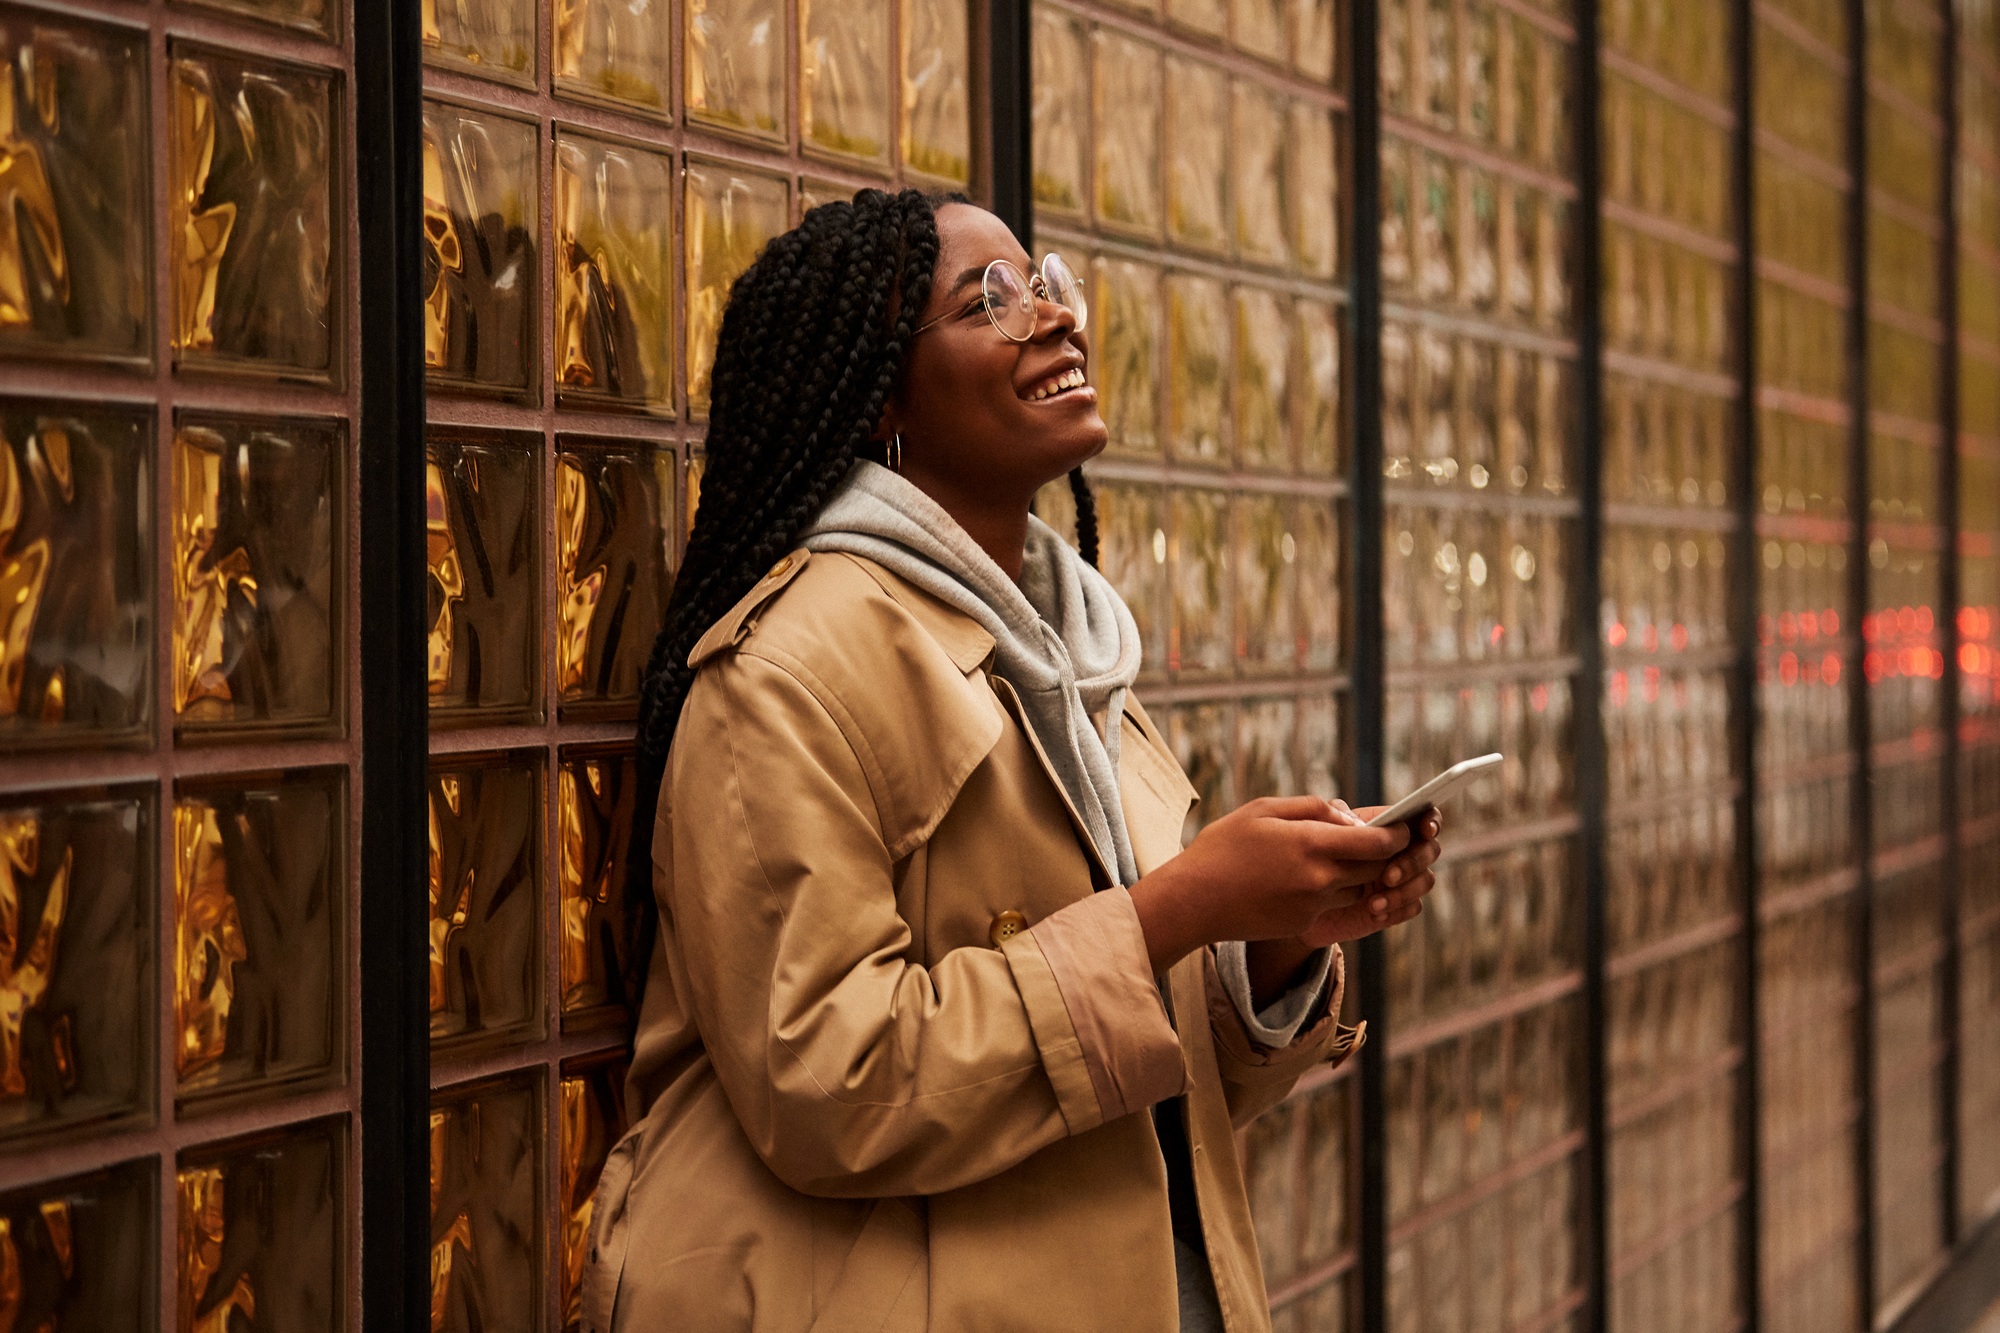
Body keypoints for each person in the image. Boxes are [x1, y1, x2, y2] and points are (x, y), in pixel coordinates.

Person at [580, 189, 1442, 1333]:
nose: (1049, 316)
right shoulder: (782, 671)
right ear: (880, 387)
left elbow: (1142, 1074)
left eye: (1046, 283)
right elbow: (828, 1083)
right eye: (986, 299)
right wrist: (1174, 910)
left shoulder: (1068, 653)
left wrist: (1277, 942)